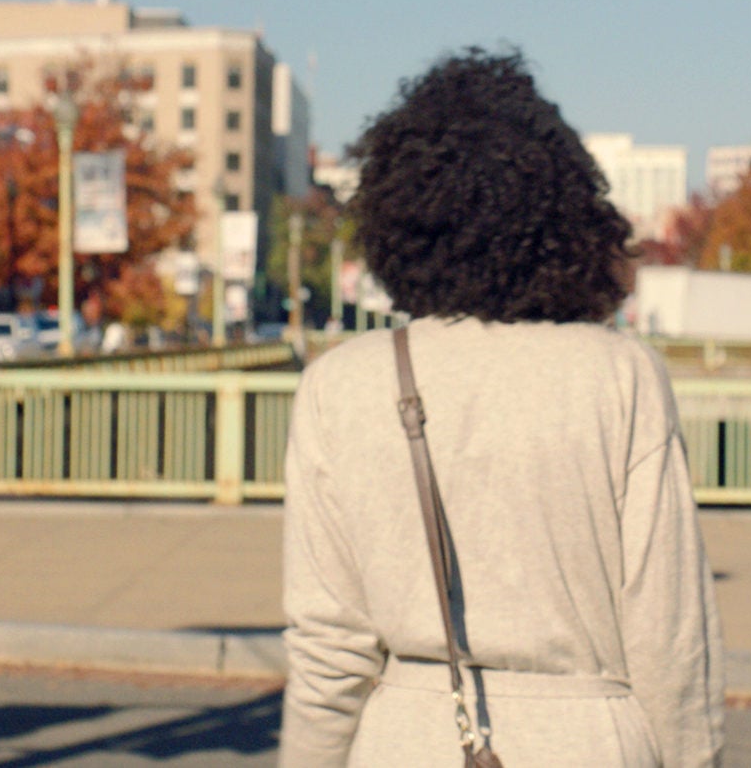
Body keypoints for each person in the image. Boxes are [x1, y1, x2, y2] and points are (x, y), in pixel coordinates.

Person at [280, 49, 724, 767]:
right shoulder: (620, 375)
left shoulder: (340, 386)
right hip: (589, 738)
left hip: (408, 738)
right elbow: (671, 639)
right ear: (563, 211)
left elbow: (328, 653)